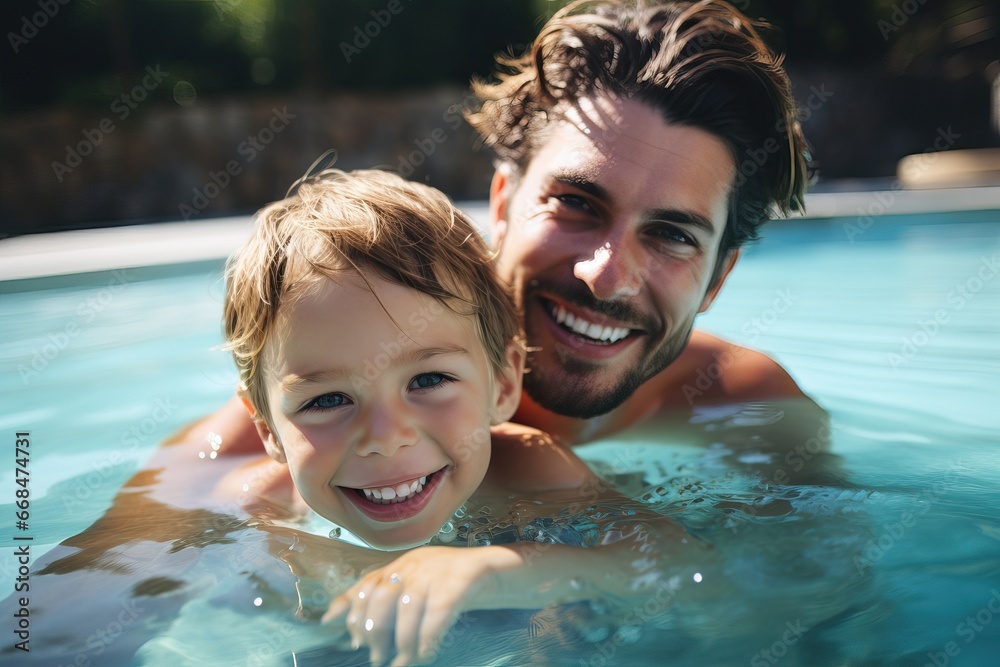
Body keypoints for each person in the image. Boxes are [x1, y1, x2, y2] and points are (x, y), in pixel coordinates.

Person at [207, 0, 820, 458]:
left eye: (673, 235)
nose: (606, 276)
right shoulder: (317, 415)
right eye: (578, 203)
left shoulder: (748, 403)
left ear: (718, 277)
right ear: (502, 202)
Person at [217, 167, 701, 665]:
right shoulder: (261, 516)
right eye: (325, 401)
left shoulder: (529, 472)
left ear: (505, 383)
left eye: (428, 381)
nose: (385, 437)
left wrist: (492, 572)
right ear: (266, 427)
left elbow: (680, 567)